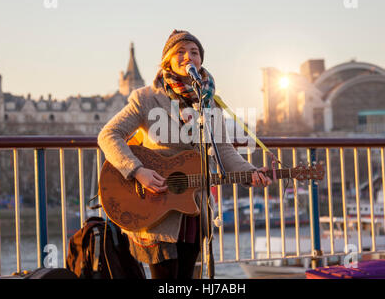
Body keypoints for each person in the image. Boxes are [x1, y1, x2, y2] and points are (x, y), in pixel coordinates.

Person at [97, 29, 272, 279]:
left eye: (194, 52)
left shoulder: (209, 102)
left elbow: (223, 150)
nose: (188, 57)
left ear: (201, 60)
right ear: (166, 61)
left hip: (194, 206)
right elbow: (108, 134)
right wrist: (137, 171)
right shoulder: (146, 98)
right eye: (180, 52)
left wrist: (251, 173)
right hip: (155, 205)